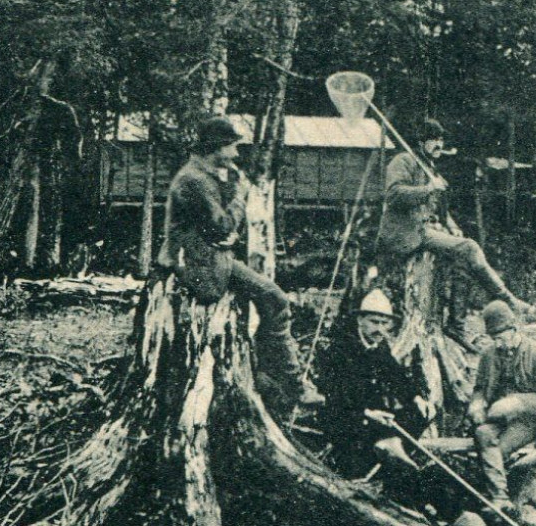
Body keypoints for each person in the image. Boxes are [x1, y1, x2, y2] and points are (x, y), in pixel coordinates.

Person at [165, 115, 317, 415]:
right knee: (273, 298)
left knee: (274, 297)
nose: (236, 154)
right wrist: (240, 196)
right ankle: (291, 383)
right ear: (216, 147)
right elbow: (222, 226)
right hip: (200, 267)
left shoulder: (205, 176)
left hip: (213, 259)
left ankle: (283, 380)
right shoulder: (193, 180)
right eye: (232, 147)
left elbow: (221, 230)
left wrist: (226, 232)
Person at [380, 119, 528, 311]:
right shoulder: (404, 161)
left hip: (427, 229)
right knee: (470, 248)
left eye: (441, 140)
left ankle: (456, 322)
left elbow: (439, 206)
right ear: (420, 142)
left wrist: (452, 226)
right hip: (406, 232)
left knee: (463, 259)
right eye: (433, 140)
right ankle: (509, 300)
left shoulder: (429, 167)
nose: (439, 145)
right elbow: (393, 195)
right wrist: (428, 188)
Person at [313, 289, 431, 480]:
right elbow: (335, 395)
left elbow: (397, 376)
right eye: (374, 322)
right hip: (346, 413)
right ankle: (384, 453)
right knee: (353, 427)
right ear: (360, 320)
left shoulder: (379, 347)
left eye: (384, 323)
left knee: (420, 412)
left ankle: (391, 449)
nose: (379, 328)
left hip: (375, 413)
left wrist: (416, 397)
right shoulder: (341, 348)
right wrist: (367, 413)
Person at [468, 300, 536, 509]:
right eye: (494, 339)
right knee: (482, 433)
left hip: (533, 419)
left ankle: (500, 499)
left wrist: (515, 403)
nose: (498, 344)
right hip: (498, 417)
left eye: (500, 338)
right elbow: (479, 388)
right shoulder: (488, 355)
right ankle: (498, 498)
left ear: (514, 330)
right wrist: (477, 405)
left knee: (497, 451)